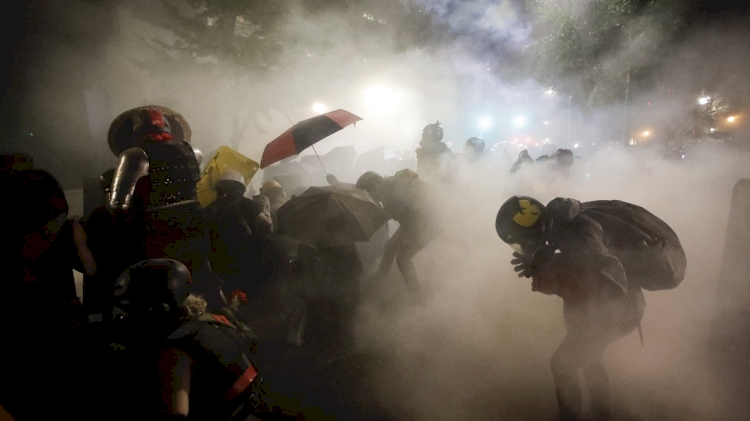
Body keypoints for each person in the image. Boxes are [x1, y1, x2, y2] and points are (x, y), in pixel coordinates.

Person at [495, 196, 685, 421]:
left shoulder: (575, 234)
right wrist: (547, 257)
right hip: (620, 307)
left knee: (562, 365)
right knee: (592, 361)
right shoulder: (564, 221)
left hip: (619, 310)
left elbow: (610, 274)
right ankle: (602, 414)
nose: (523, 248)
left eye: (520, 242)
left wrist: (554, 267)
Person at [1, 169, 94, 419]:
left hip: (59, 362)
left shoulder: (57, 245)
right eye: (43, 232)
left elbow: (91, 270)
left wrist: (77, 240)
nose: (49, 237)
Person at [356, 169, 439, 298]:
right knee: (389, 247)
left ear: (374, 187)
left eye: (369, 194)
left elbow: (407, 216)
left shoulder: (392, 194)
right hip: (414, 222)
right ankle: (379, 284)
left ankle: (417, 297)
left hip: (428, 224)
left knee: (403, 258)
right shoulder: (390, 185)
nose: (371, 198)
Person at [204, 170, 272, 295]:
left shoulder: (210, 208)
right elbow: (266, 225)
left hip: (217, 265)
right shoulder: (246, 203)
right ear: (240, 188)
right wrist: (266, 209)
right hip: (244, 264)